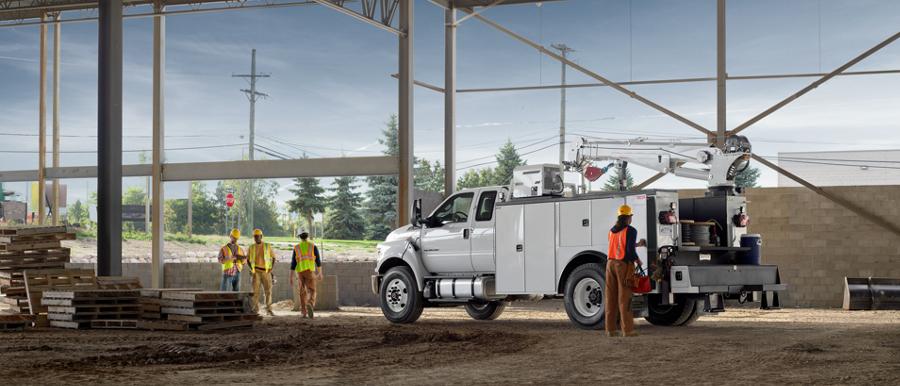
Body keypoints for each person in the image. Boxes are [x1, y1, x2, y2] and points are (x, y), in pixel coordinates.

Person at [605, 204, 646, 337]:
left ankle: (610, 330)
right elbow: (629, 251)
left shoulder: (612, 230)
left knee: (611, 298)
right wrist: (637, 260)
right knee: (625, 298)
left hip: (610, 264)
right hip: (622, 265)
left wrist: (637, 244)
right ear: (629, 217)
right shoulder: (631, 230)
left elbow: (620, 245)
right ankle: (627, 330)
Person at [290, 229, 323, 318]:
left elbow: (293, 263)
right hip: (309, 271)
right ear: (307, 236)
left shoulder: (296, 247)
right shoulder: (312, 246)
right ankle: (310, 304)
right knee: (312, 290)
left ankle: (304, 312)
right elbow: (318, 261)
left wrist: (291, 276)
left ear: (299, 236)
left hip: (300, 272)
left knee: (302, 292)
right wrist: (320, 273)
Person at [248, 228, 277, 316]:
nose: (256, 238)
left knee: (268, 291)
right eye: (255, 236)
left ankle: (269, 309)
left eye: (258, 236)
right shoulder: (251, 247)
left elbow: (274, 258)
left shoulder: (267, 246)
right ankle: (255, 309)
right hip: (255, 272)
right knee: (255, 292)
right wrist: (251, 269)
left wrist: (271, 268)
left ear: (261, 236)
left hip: (266, 272)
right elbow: (248, 260)